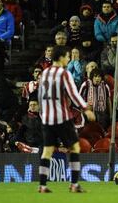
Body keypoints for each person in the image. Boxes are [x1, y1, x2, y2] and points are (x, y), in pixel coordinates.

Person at [37, 46, 95, 193]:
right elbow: (73, 94)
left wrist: (43, 115)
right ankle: (74, 184)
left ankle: (42, 186)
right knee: (75, 148)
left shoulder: (44, 73)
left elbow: (39, 96)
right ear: (61, 57)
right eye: (67, 56)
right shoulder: (64, 73)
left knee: (47, 151)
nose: (69, 59)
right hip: (62, 118)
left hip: (47, 119)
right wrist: (86, 109)